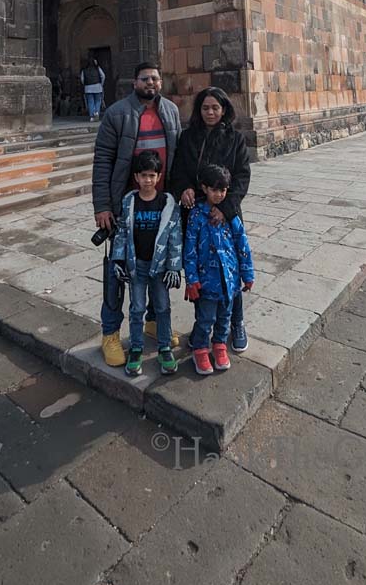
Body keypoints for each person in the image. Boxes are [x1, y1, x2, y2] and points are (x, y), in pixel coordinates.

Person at [92, 61, 182, 366]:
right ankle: (110, 334)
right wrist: (103, 205)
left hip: (161, 205)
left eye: (156, 78)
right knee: (117, 273)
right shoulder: (117, 113)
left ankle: (154, 322)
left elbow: (177, 155)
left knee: (156, 267)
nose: (152, 83)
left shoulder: (169, 110)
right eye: (146, 79)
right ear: (135, 82)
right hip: (125, 208)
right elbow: (103, 160)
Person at [171, 86, 251, 352]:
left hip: (224, 215)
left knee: (231, 269)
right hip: (196, 216)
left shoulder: (235, 139)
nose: (210, 112)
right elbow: (178, 170)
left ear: (224, 109)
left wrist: (226, 208)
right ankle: (202, 323)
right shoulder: (188, 137)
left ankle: (236, 323)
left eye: (215, 107)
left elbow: (241, 177)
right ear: (199, 110)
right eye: (205, 108)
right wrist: (184, 188)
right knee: (200, 270)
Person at [111, 150, 182, 377]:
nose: (148, 180)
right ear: (136, 177)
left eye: (152, 175)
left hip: (160, 267)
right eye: (144, 176)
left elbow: (175, 236)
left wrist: (174, 266)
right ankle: (136, 347)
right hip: (136, 266)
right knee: (137, 308)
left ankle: (164, 345)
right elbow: (122, 232)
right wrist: (118, 260)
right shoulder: (129, 201)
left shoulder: (167, 203)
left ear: (159, 177)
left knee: (162, 307)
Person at [184, 163, 254, 375]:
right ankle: (200, 349)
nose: (219, 195)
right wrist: (191, 279)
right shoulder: (196, 215)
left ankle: (219, 345)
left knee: (225, 317)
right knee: (205, 319)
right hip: (206, 280)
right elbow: (190, 249)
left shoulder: (230, 215)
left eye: (223, 190)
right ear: (204, 188)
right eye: (215, 190)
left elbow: (242, 244)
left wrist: (247, 273)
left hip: (229, 279)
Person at [80, 55, 105, 121]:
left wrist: (85, 84)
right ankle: (96, 113)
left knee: (90, 102)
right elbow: (103, 76)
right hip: (97, 87)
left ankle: (91, 116)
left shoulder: (84, 70)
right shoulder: (98, 68)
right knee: (98, 101)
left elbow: (82, 79)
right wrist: (101, 84)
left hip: (88, 88)